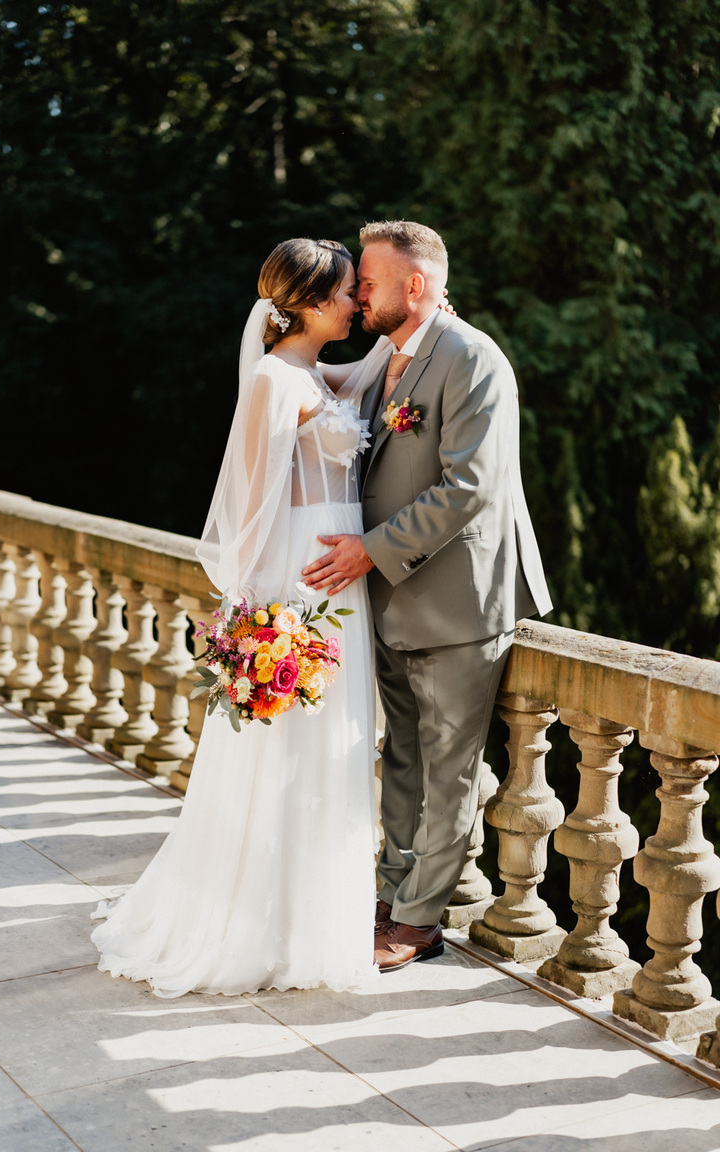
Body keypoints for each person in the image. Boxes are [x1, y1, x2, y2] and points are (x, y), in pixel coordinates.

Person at [91, 237, 381, 997]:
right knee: (283, 754)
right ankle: (256, 927)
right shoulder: (272, 381)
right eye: (349, 290)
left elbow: (372, 370)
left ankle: (310, 922)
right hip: (299, 581)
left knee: (327, 754)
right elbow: (250, 507)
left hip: (339, 580)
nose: (358, 302)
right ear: (316, 302)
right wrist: (252, 623)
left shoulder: (317, 370)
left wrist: (421, 317)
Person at [302, 220, 552, 972]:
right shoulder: (391, 358)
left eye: (369, 281)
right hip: (392, 600)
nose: (358, 293)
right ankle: (390, 895)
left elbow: (470, 488)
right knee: (403, 757)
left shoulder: (473, 359)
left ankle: (418, 923)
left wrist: (369, 552)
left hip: (456, 600)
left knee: (449, 767)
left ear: (415, 285)